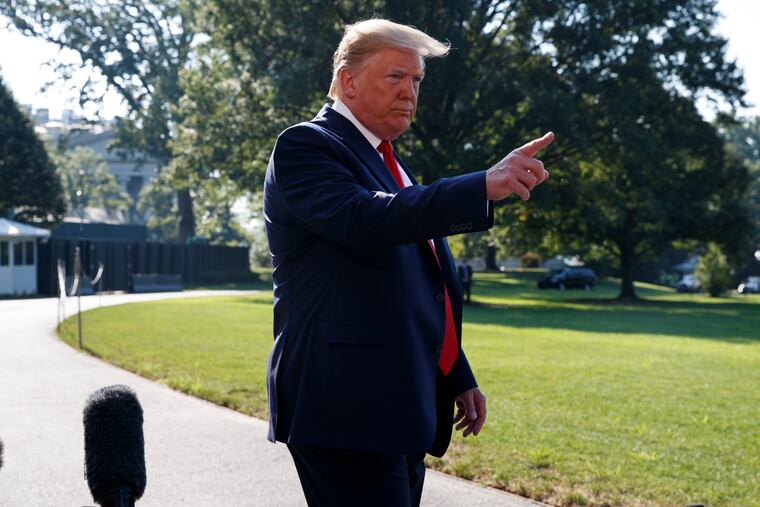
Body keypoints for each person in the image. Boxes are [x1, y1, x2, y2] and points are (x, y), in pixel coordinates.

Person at [263, 18, 553, 506]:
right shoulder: (306, 145)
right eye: (395, 77)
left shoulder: (389, 162)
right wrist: (479, 185)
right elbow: (365, 220)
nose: (410, 91)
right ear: (346, 81)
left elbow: (420, 280)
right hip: (344, 408)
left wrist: (456, 372)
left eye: (416, 80)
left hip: (395, 404)